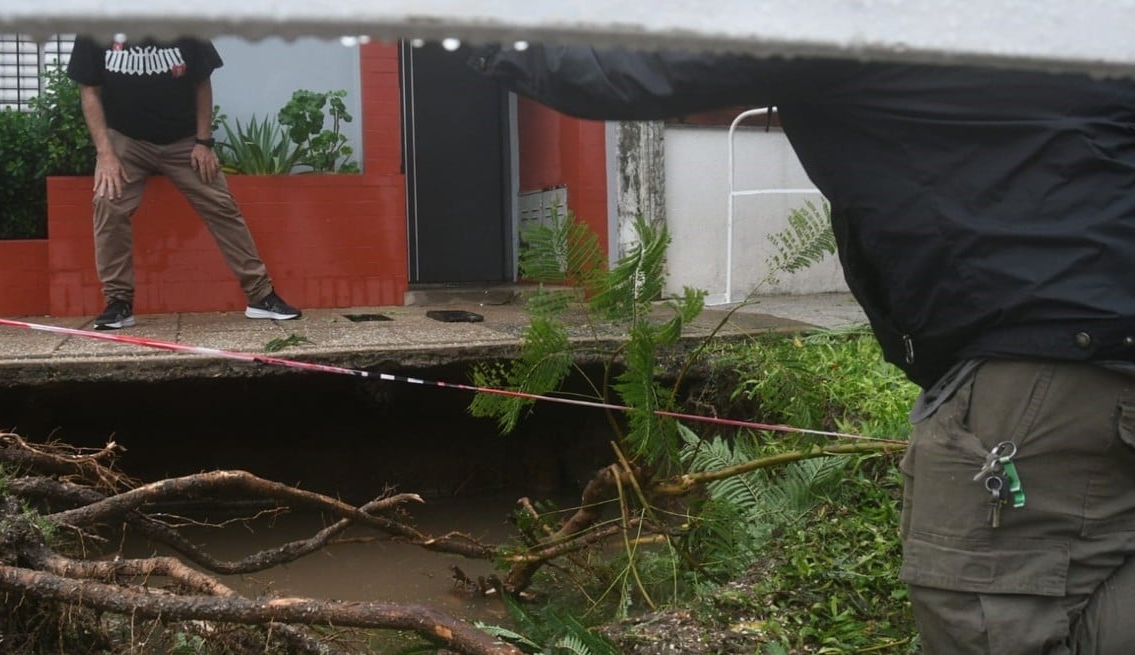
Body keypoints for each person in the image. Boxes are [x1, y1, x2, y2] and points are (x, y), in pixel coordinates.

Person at [470, 45, 1135, 653]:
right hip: (1097, 359)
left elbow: (626, 66)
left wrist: (469, 27)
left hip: (1034, 374)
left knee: (983, 620)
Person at [66, 35, 301, 329]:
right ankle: (119, 303)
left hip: (184, 140)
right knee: (107, 201)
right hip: (126, 141)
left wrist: (203, 141)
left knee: (221, 205)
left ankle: (260, 296)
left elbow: (201, 82)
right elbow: (89, 91)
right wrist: (105, 153)